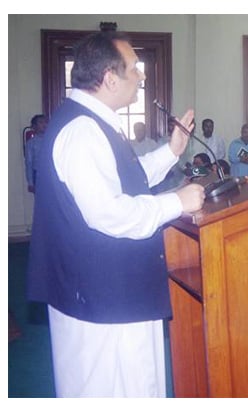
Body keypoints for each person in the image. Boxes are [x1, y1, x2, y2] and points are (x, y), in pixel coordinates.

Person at [26, 31, 206, 398]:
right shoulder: (82, 131)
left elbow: (126, 178)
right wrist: (177, 202)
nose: (141, 76)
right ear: (109, 78)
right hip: (103, 299)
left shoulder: (91, 122)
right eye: (134, 69)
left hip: (109, 291)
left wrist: (171, 151)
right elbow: (109, 213)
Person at [24, 114, 48, 193]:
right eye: (41, 122)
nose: (44, 124)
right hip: (38, 174)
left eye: (45, 122)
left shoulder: (51, 140)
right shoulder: (31, 143)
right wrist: (30, 183)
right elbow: (29, 163)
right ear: (34, 126)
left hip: (50, 173)